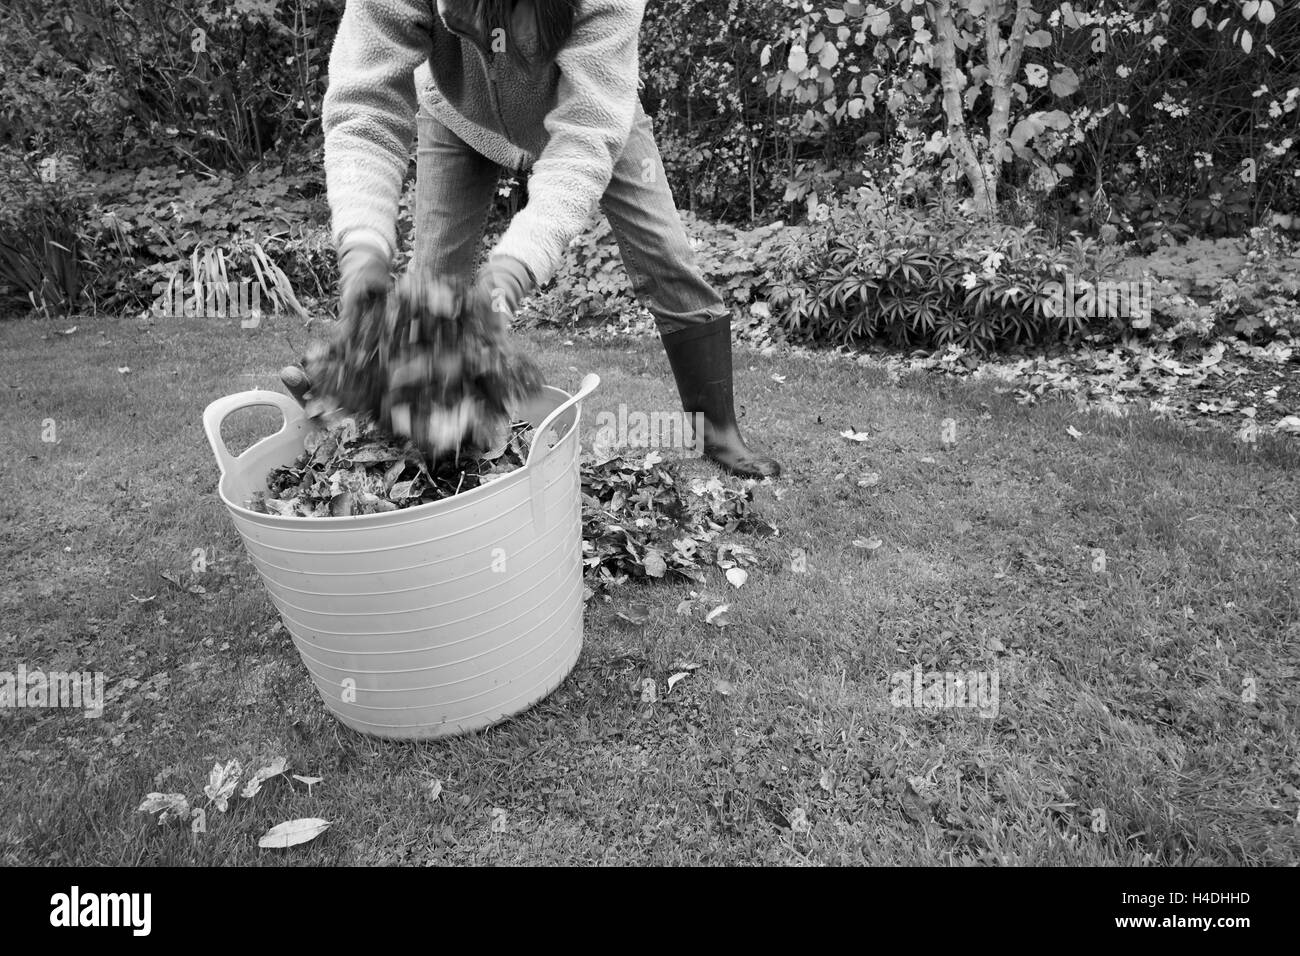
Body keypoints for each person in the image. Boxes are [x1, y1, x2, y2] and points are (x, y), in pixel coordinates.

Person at [319, 0, 780, 477]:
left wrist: (511, 273)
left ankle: (716, 430)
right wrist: (362, 250)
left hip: (589, 106)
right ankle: (438, 436)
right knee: (433, 285)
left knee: (665, 253)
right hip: (455, 112)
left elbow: (585, 140)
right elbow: (365, 108)